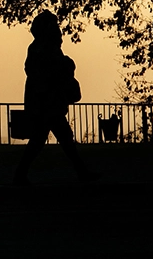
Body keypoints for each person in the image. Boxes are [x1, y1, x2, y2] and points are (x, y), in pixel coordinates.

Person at [13, 10, 98, 185]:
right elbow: (46, 74)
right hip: (46, 104)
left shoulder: (43, 48)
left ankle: (21, 175)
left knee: (47, 140)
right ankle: (81, 173)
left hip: (46, 103)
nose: (58, 30)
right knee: (58, 139)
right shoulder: (43, 49)